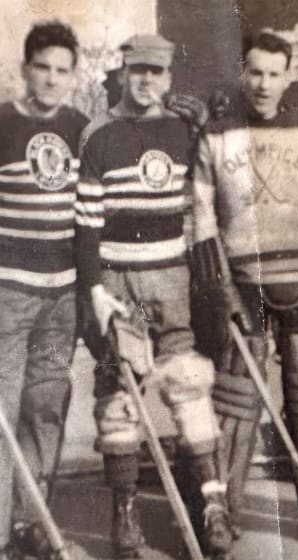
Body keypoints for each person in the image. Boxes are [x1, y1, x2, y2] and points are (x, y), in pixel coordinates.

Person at [191, 28, 298, 542]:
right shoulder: (217, 133)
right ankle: (220, 508)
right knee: (233, 400)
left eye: (274, 73)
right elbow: (201, 217)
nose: (263, 83)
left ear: (288, 76)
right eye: (255, 72)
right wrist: (216, 285)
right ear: (243, 72)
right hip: (243, 283)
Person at [75, 34, 233, 560]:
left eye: (156, 72)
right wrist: (95, 289)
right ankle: (124, 514)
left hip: (172, 277)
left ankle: (212, 506)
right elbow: (88, 226)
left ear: (168, 78)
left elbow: (206, 203)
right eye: (137, 71)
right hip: (121, 282)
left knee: (188, 382)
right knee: (119, 395)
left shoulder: (184, 132)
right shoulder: (100, 136)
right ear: (123, 72)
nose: (146, 81)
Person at [0, 20, 88, 559]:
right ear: (25, 70)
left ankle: (32, 520)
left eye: (62, 70)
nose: (52, 80)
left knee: (45, 406)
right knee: (3, 409)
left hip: (61, 299)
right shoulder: (1, 123)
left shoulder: (82, 128)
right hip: (9, 294)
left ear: (74, 77)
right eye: (43, 68)